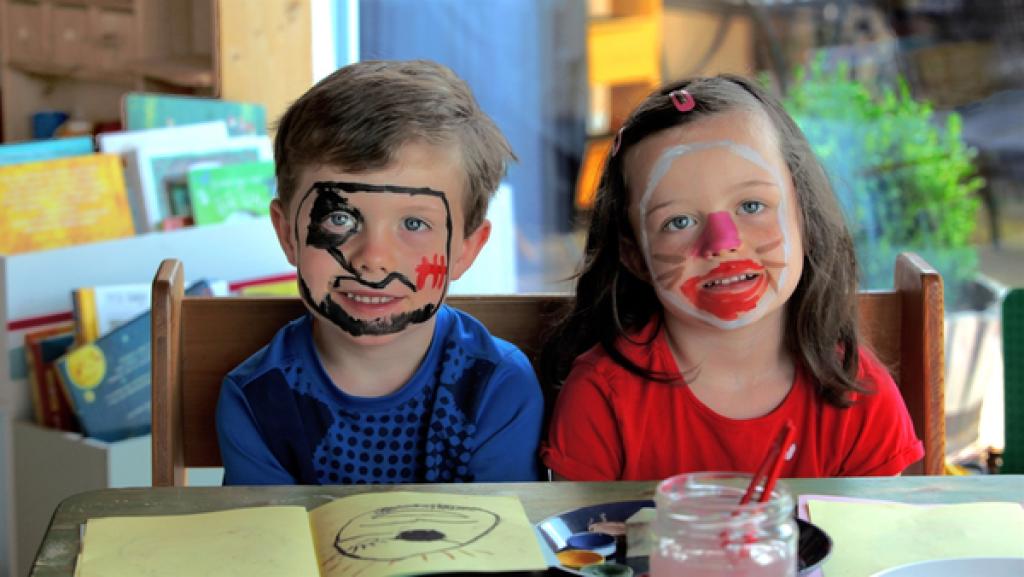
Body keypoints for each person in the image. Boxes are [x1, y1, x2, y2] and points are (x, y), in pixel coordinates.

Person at [539, 75, 924, 480]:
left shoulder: (860, 396)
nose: (722, 243)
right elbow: (579, 541)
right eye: (679, 221)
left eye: (752, 205)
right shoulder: (601, 399)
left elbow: (870, 542)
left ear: (804, 218)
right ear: (634, 254)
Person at [216, 60, 544, 485]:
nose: (374, 259)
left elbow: (505, 545)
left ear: (466, 249)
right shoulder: (257, 399)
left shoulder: (495, 389)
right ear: (287, 233)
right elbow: (265, 547)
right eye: (337, 220)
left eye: (413, 224)